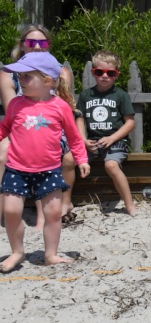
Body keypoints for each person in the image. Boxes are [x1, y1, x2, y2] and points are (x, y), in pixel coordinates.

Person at [0, 52, 90, 272]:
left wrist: (81, 159)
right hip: (16, 169)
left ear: (48, 81)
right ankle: (17, 252)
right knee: (11, 211)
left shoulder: (60, 106)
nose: (20, 80)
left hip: (49, 170)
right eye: (19, 76)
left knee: (53, 213)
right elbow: (4, 128)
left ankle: (50, 254)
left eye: (26, 76)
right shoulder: (15, 104)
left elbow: (74, 137)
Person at [0, 25, 79, 228]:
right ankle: (6, 211)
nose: (37, 46)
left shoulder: (59, 72)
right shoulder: (10, 74)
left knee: (52, 151)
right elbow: (12, 115)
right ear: (22, 45)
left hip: (52, 128)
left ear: (48, 45)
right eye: (31, 42)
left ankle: (56, 208)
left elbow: (64, 111)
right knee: (4, 152)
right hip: (20, 125)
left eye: (42, 42)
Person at [77, 51, 137, 216]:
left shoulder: (121, 95)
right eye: (99, 72)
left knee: (111, 165)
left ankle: (129, 204)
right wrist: (83, 140)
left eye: (110, 73)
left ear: (116, 74)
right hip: (92, 141)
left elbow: (130, 122)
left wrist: (112, 138)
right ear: (93, 72)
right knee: (68, 160)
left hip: (116, 140)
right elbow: (80, 119)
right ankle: (65, 202)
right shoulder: (85, 95)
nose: (104, 76)